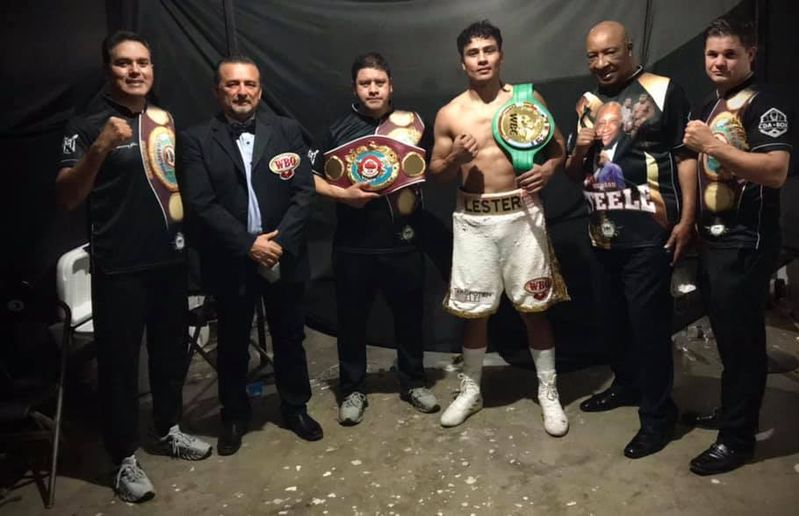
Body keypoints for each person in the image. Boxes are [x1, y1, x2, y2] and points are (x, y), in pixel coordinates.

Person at [56, 31, 211, 503]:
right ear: (109, 70)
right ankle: (123, 456)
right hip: (119, 266)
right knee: (121, 368)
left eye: (143, 62)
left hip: (169, 259)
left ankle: (168, 428)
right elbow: (65, 197)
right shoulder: (86, 126)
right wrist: (100, 147)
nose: (135, 70)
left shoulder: (165, 119)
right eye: (124, 63)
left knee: (168, 355)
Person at [429, 20, 570, 437]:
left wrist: (547, 169)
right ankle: (471, 390)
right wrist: (454, 156)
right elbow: (435, 173)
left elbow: (558, 147)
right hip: (474, 219)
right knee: (474, 311)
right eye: (473, 53)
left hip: (523, 215)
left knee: (536, 307)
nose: (482, 58)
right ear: (462, 62)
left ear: (501, 54)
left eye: (489, 50)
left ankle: (548, 391)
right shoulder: (450, 113)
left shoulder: (526, 100)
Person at [178, 56, 322, 456]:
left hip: (283, 254)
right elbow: (200, 203)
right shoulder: (195, 139)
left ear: (260, 89)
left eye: (250, 85)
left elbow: (305, 192)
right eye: (232, 85)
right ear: (218, 90)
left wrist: (278, 242)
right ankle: (235, 415)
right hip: (231, 258)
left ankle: (296, 407)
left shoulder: (288, 130)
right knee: (233, 342)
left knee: (290, 336)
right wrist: (248, 244)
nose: (242, 92)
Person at [566, 20, 697, 458]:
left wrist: (688, 218)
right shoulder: (585, 102)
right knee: (613, 323)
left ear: (629, 49)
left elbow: (685, 157)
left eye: (609, 53)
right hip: (600, 232)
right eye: (592, 56)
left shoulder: (663, 90)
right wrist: (580, 148)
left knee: (649, 329)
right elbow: (571, 172)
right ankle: (625, 385)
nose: (601, 63)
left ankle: (659, 418)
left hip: (649, 235)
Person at [682, 16, 791, 475]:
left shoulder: (766, 104)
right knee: (728, 338)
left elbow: (776, 171)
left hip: (747, 241)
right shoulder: (712, 102)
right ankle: (732, 415)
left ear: (751, 55)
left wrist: (714, 146)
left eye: (729, 54)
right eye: (712, 54)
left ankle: (737, 440)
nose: (719, 62)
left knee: (744, 344)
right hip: (714, 239)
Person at [309, 52, 439, 425]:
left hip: (404, 240)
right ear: (355, 87)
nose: (373, 89)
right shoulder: (337, 130)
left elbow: (436, 164)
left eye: (379, 83)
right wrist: (342, 195)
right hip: (354, 245)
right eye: (365, 83)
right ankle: (351, 390)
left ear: (390, 86)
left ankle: (414, 380)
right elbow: (309, 174)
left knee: (410, 318)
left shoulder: (413, 126)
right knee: (351, 321)